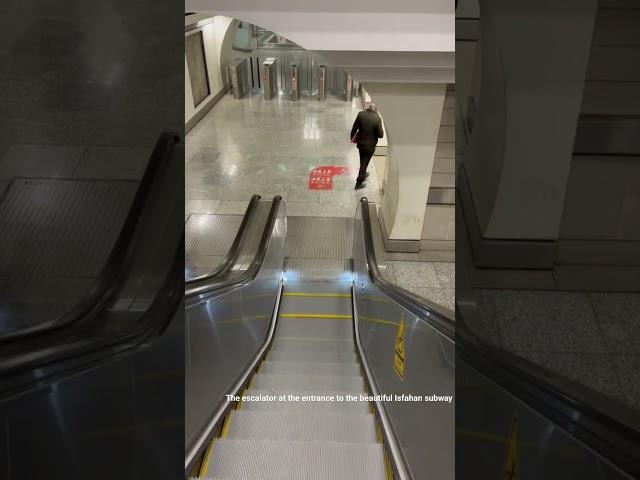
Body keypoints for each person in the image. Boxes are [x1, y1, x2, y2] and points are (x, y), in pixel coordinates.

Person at [350, 103, 384, 189]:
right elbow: (380, 135)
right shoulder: (377, 119)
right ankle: (359, 183)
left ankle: (363, 173)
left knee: (363, 160)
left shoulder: (361, 114)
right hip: (370, 146)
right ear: (376, 109)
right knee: (365, 163)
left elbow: (354, 127)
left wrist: (352, 138)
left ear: (369, 107)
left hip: (360, 143)